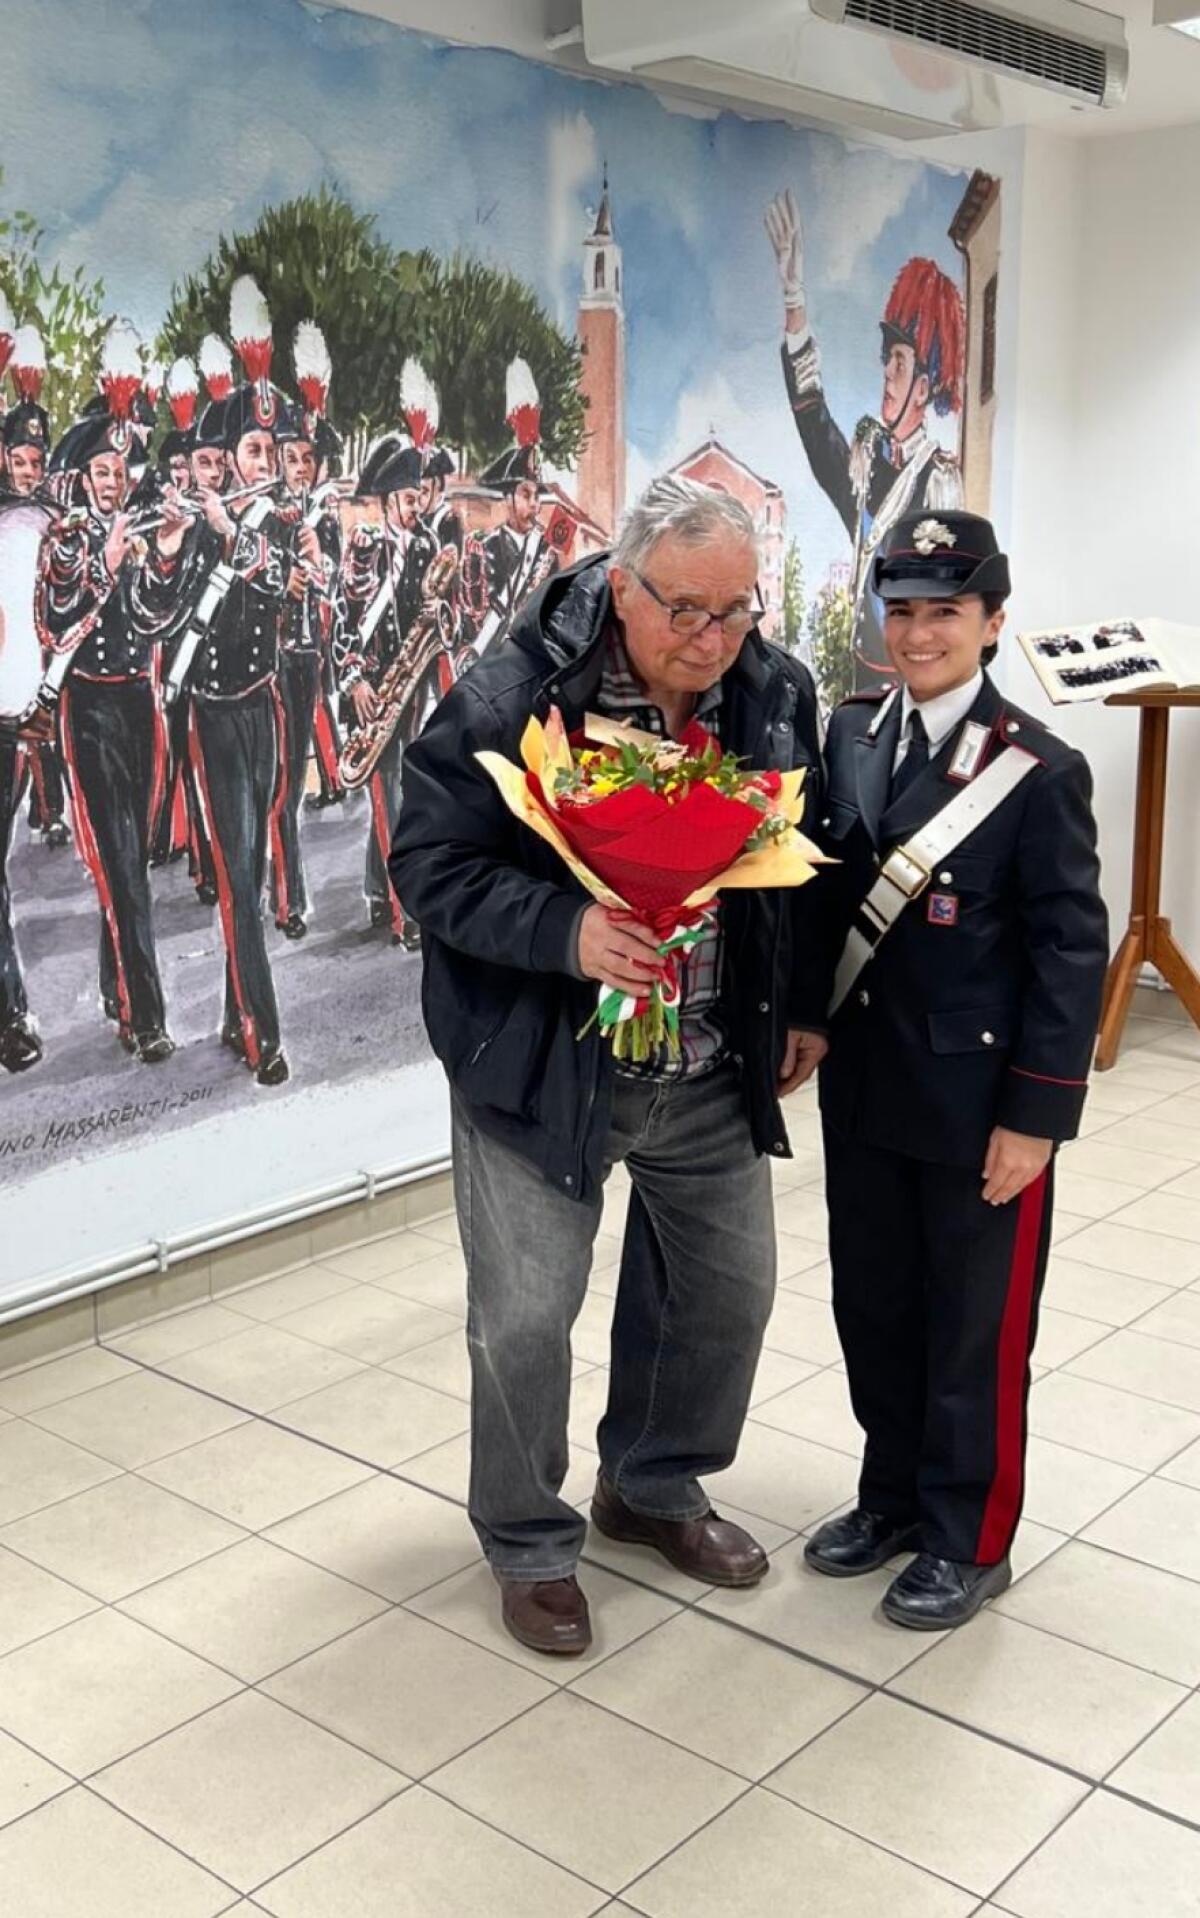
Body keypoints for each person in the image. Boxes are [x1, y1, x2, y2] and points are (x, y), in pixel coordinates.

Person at [390, 476, 831, 1656]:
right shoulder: (513, 689)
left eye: (740, 610)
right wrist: (568, 932)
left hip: (707, 1056)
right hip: (541, 1063)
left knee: (727, 1294)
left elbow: (801, 863)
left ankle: (653, 1485)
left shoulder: (775, 692)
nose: (716, 640)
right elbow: (427, 864)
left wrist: (796, 1007)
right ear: (621, 585)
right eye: (688, 610)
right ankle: (530, 1542)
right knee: (526, 1319)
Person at [806, 510, 1108, 1629]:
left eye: (945, 612)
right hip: (869, 1085)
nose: (919, 634)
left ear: (992, 621)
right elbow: (825, 896)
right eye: (903, 611)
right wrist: (803, 1018)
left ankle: (968, 1536)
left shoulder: (1038, 769)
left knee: (973, 1325)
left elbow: (1069, 950)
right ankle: (890, 1496)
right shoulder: (852, 737)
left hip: (979, 1102)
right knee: (874, 1303)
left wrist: (1037, 1116)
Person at [765, 189, 964, 677]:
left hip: (914, 680)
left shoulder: (938, 481)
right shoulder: (867, 459)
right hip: (862, 677)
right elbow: (814, 421)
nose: (886, 374)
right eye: (886, 359)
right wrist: (794, 299)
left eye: (899, 362)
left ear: (923, 388)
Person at [36, 411, 175, 1063]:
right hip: (87, 706)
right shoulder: (65, 541)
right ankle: (146, 1017)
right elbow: (57, 622)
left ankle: (115, 989)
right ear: (83, 478)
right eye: (101, 471)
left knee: (132, 861)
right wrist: (104, 563)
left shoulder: (139, 533)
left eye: (120, 472)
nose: (113, 481)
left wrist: (165, 556)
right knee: (120, 863)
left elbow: (155, 619)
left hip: (137, 704)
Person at [336, 433, 438, 949]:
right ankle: (405, 914)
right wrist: (353, 680)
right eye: (407, 498)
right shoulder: (365, 547)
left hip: (411, 687)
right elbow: (343, 618)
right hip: (373, 694)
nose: (415, 506)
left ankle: (379, 890)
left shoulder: (425, 546)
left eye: (418, 496)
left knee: (403, 794)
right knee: (388, 798)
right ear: (386, 501)